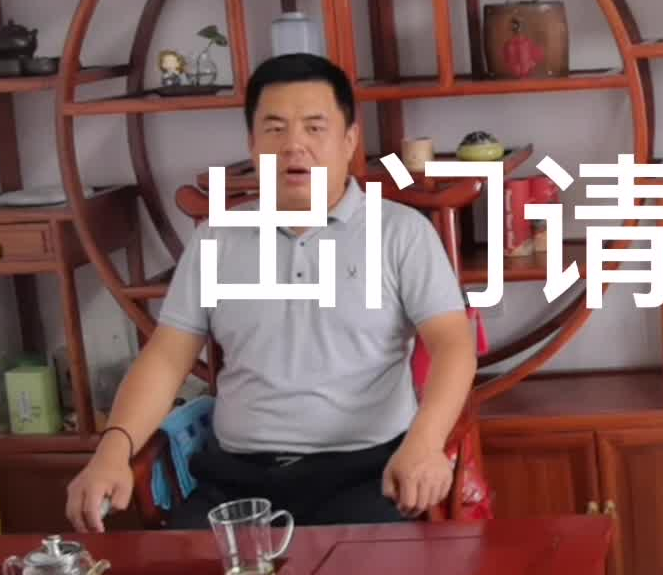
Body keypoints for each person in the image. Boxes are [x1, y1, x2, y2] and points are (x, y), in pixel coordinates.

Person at [64, 53, 478, 532]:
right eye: (275, 129)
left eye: (315, 128)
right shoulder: (218, 238)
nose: (294, 145)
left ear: (348, 141)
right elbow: (167, 357)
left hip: (367, 473)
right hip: (236, 479)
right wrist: (112, 450)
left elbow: (453, 345)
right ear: (253, 144)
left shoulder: (400, 233)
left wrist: (424, 443)